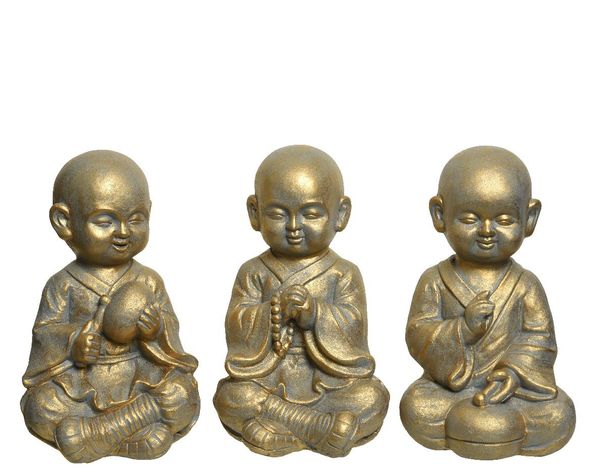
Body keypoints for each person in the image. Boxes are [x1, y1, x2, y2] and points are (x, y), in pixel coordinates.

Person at [21, 151, 200, 462]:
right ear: (64, 222)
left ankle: (96, 436)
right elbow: (44, 333)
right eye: (105, 221)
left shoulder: (148, 280)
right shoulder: (62, 284)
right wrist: (73, 342)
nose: (123, 232)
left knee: (181, 394)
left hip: (138, 373)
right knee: (42, 406)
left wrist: (155, 330)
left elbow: (171, 333)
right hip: (81, 381)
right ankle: (133, 433)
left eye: (136, 219)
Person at [400, 146, 575, 459]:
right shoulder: (434, 280)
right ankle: (478, 425)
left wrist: (513, 374)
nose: (486, 231)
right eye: (469, 219)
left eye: (504, 220)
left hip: (512, 392)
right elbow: (418, 336)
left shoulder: (526, 284)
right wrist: (462, 330)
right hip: (449, 389)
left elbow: (540, 341)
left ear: (529, 218)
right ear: (439, 215)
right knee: (417, 405)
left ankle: (490, 424)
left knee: (559, 414)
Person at [213, 145, 389, 457]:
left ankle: (279, 431)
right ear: (255, 212)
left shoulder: (343, 273)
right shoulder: (253, 272)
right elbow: (237, 325)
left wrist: (315, 314)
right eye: (278, 214)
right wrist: (272, 311)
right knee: (231, 397)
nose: (294, 227)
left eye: (311, 214)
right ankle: (318, 429)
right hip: (266, 380)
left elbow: (354, 327)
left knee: (372, 398)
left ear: (341, 214)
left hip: (329, 382)